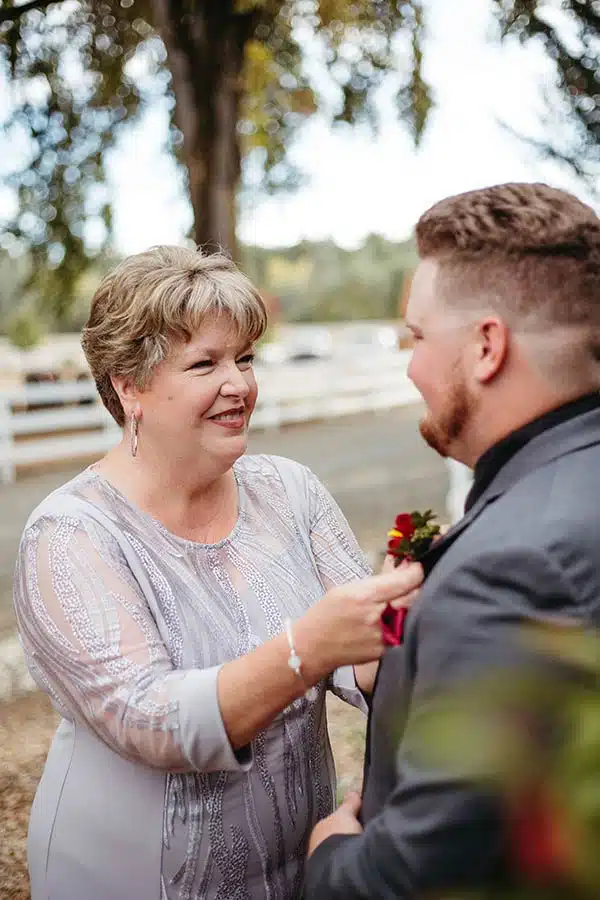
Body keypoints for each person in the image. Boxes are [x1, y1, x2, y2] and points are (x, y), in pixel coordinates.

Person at [13, 246, 422, 900]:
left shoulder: (291, 490)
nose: (239, 384)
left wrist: (408, 603)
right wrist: (306, 647)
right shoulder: (71, 535)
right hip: (140, 880)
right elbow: (149, 719)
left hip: (296, 865)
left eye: (245, 358)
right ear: (128, 385)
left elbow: (362, 658)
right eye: (205, 362)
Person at [304, 182, 600, 898]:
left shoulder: (513, 563)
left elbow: (415, 879)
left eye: (417, 337)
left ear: (486, 347)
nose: (411, 367)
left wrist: (331, 855)